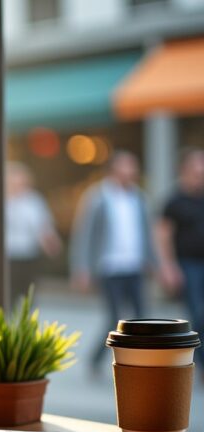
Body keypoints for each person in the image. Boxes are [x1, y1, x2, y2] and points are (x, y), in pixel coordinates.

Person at [70, 150, 156, 372]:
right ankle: (97, 359)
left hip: (134, 264)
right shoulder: (97, 196)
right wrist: (82, 268)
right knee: (115, 317)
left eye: (133, 166)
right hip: (108, 266)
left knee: (142, 317)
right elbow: (84, 234)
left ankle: (140, 360)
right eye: (125, 166)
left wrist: (152, 260)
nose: (130, 171)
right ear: (114, 169)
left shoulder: (139, 197)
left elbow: (147, 232)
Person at [156, 148, 204, 363]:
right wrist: (168, 266)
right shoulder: (174, 201)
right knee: (197, 314)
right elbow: (162, 236)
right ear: (185, 170)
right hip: (187, 265)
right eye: (197, 170)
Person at [4, 161, 62, 309]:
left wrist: (52, 245)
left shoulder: (34, 201)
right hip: (8, 257)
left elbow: (44, 227)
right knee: (7, 297)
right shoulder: (1, 200)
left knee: (28, 297)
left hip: (29, 256)